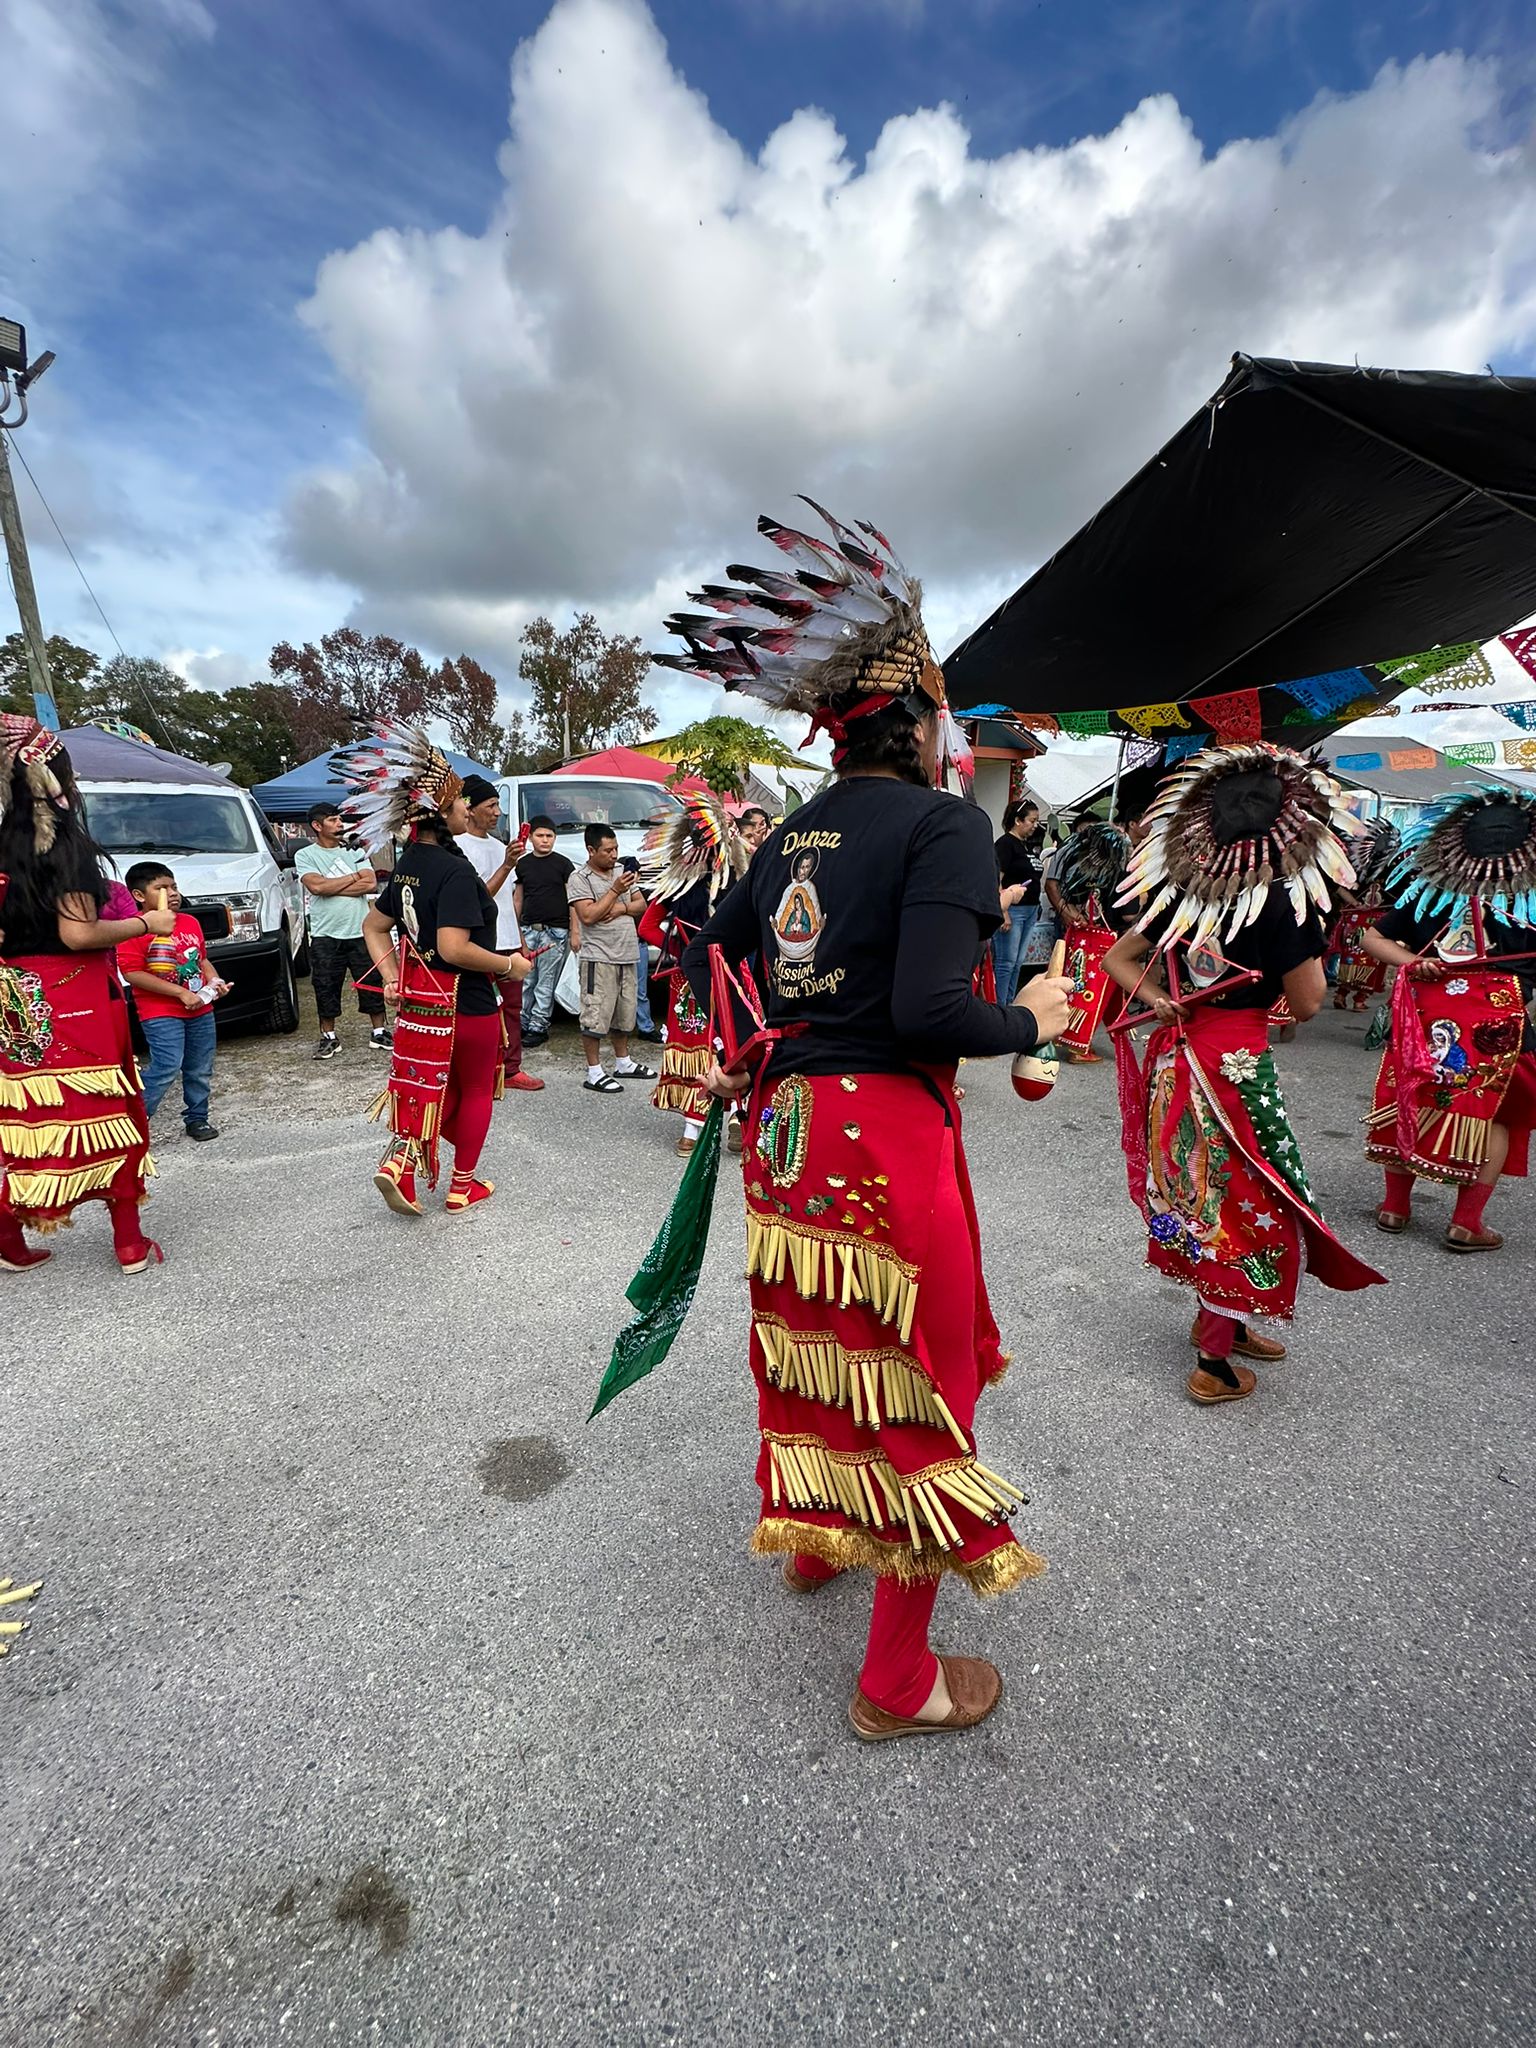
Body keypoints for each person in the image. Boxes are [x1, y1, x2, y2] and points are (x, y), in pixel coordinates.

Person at [658, 498, 1074, 1743]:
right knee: (918, 1379)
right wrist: (1038, 1019)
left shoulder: (789, 833)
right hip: (881, 1134)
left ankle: (813, 1543)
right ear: (928, 720)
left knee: (811, 1340)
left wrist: (740, 1058)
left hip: (786, 1138)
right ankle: (897, 1675)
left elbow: (704, 953)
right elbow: (933, 1008)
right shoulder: (947, 823)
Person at [1104, 741, 1385, 1406]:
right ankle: (1214, 1358)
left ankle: (1229, 1317)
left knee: (1194, 1192)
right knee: (1250, 1200)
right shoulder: (1285, 903)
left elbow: (1120, 960)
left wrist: (1158, 1002)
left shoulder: (1180, 893)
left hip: (1177, 1062)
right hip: (1235, 1068)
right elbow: (1311, 1002)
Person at [331, 721, 530, 1217]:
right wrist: (510, 965)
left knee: (428, 1084)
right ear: (442, 808)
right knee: (476, 1089)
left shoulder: (410, 863)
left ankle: (402, 1160)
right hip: (468, 999)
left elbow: (374, 927)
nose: (469, 808)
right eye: (462, 801)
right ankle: (463, 1185)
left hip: (423, 1003)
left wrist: (393, 977)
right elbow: (456, 946)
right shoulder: (454, 868)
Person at [0, 718, 170, 1275]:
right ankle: (127, 1241)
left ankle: (10, 1233)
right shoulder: (65, 844)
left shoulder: (4, 844)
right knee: (105, 1112)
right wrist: (147, 924)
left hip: (18, 996)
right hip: (76, 996)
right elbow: (78, 933)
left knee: (26, 1115)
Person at [1360, 789, 1536, 1253]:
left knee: (1410, 1097)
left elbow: (1372, 938)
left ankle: (1394, 1207)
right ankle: (1466, 1221)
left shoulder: (1432, 891)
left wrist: (1411, 962)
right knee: (1499, 1117)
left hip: (1425, 1012)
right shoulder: (1530, 896)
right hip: (1499, 1019)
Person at [639, 791, 747, 1159]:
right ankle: (715, 1120)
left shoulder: (691, 878)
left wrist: (684, 954)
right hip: (720, 975)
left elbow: (649, 927)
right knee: (719, 1044)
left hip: (704, 975)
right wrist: (689, 954)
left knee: (713, 1045)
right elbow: (649, 926)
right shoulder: (722, 879)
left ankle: (709, 1125)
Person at [117, 862, 228, 1141]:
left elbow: (201, 959)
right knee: (166, 1066)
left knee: (200, 1067)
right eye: (162, 888)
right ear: (139, 895)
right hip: (161, 1012)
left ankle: (197, 1118)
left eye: (174, 886)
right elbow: (132, 973)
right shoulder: (132, 929)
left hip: (200, 1009)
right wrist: (179, 993)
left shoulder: (190, 923)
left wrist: (214, 984)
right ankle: (134, 1121)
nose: (173, 893)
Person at [454, 776, 543, 1095]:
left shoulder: (499, 846)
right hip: (478, 945)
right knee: (480, 1011)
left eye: (497, 806)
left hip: (507, 941)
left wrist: (519, 939)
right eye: (491, 805)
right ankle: (480, 1072)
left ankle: (511, 1068)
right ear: (470, 809)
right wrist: (507, 864)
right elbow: (479, 898)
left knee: (512, 1007)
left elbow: (507, 901)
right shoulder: (459, 847)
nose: (497, 812)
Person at [566, 825, 658, 1096]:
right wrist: (616, 892)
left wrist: (620, 907)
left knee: (624, 1014)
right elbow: (589, 915)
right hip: (599, 957)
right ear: (591, 850)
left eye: (616, 849)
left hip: (628, 953)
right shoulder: (579, 878)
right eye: (608, 850)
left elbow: (641, 905)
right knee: (595, 1016)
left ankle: (623, 1062)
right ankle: (594, 1071)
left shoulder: (622, 872)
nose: (614, 855)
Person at [294, 801, 388, 1061]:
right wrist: (352, 878)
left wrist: (332, 884)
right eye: (334, 820)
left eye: (340, 820)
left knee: (371, 981)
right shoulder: (306, 855)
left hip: (360, 930)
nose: (340, 825)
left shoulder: (355, 850)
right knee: (325, 984)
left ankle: (379, 1031)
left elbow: (370, 883)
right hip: (326, 933)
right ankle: (329, 1037)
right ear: (317, 825)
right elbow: (316, 888)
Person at [1049, 822, 1130, 1064]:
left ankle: (1068, 1033)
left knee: (1082, 990)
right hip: (1105, 939)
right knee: (1091, 994)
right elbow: (1128, 913)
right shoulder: (1114, 874)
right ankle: (1079, 1047)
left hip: (1082, 936)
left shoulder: (1083, 869)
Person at [512, 817, 574, 1048]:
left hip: (555, 932)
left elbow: (572, 900)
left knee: (546, 981)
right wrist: (515, 929)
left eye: (549, 836)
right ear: (530, 838)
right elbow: (518, 899)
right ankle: (521, 1023)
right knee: (526, 980)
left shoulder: (563, 864)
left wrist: (574, 930)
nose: (545, 840)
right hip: (528, 929)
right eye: (540, 836)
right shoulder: (523, 864)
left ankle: (539, 1025)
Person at [989, 799, 1041, 1002]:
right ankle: (1000, 1004)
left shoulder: (1024, 845)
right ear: (1018, 820)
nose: (1035, 825)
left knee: (1018, 962)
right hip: (1014, 910)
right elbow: (996, 879)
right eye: (1032, 820)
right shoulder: (1005, 844)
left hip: (1029, 909)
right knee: (1006, 962)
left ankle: (1009, 1002)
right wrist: (1003, 912)